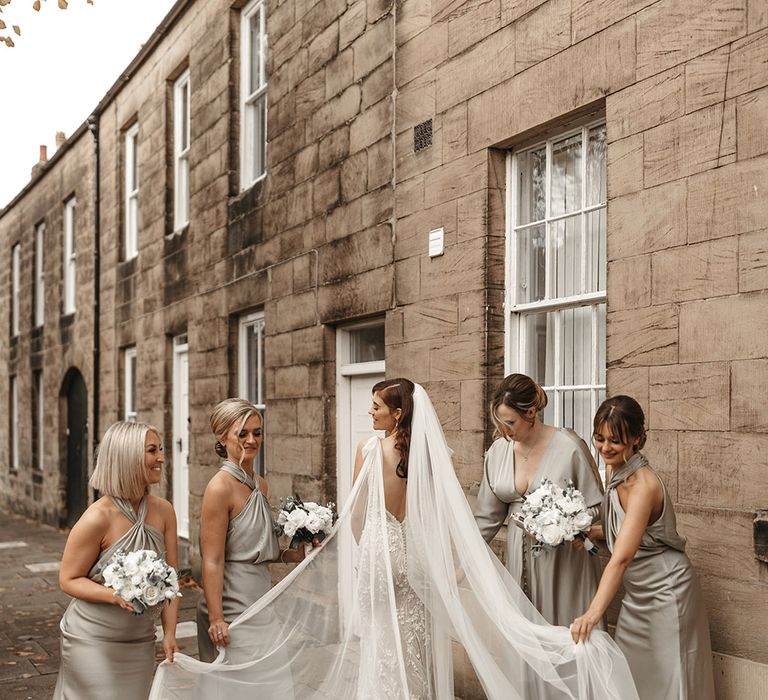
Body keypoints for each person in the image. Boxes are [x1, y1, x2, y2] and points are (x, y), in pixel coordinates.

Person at [151, 381, 638, 700]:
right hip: (417, 554)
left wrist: (358, 548)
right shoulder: (428, 452)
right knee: (417, 645)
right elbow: (444, 512)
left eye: (377, 406)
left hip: (383, 551)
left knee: (381, 642)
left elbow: (360, 517)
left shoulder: (369, 449)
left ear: (396, 412)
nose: (370, 412)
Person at [570, 395, 715, 700]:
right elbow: (629, 533)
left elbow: (622, 558)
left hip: (666, 592)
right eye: (599, 438)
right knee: (632, 679)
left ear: (637, 439)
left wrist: (592, 614)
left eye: (616, 441)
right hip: (637, 595)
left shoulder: (644, 486)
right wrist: (591, 531)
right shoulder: (615, 470)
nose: (605, 448)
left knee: (669, 681)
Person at [54, 421, 179, 700]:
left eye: (160, 449)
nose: (161, 457)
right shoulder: (97, 517)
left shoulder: (164, 512)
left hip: (140, 640)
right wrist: (113, 595)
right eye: (152, 450)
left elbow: (172, 579)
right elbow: (68, 579)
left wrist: (169, 633)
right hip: (92, 639)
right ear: (127, 456)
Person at [474, 373, 604, 627]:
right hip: (518, 558)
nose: (504, 430)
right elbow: (485, 519)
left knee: (565, 632)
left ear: (531, 412)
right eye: (500, 422)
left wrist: (562, 523)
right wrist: (463, 561)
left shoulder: (569, 446)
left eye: (510, 422)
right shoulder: (498, 452)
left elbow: (597, 506)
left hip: (564, 563)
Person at [196, 398, 304, 664]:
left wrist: (291, 555)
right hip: (232, 601)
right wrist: (216, 618)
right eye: (242, 433)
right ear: (222, 439)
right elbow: (212, 559)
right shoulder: (219, 487)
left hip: (262, 596)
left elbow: (256, 548)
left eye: (257, 432)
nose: (252, 440)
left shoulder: (260, 485)